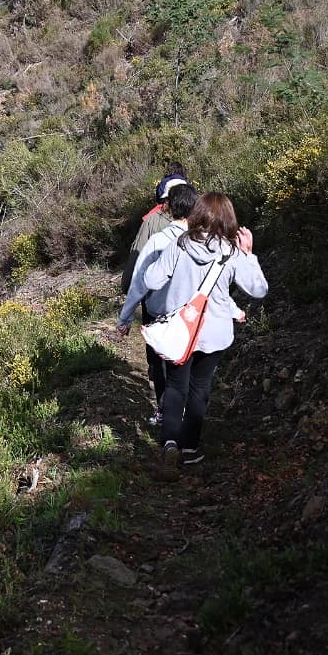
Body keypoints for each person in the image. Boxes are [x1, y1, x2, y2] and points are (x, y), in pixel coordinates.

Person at [143, 192, 267, 479]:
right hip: (215, 334)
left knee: (176, 386)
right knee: (200, 388)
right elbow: (259, 290)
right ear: (228, 219)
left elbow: (152, 280)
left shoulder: (179, 245)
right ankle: (189, 448)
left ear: (197, 214)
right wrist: (249, 256)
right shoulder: (232, 253)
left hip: (180, 332)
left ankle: (170, 441)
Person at [117, 183, 200, 425]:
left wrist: (125, 318)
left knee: (160, 364)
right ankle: (186, 413)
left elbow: (139, 282)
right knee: (187, 363)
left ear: (169, 208)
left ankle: (166, 412)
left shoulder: (157, 241)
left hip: (158, 313)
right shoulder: (203, 241)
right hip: (190, 315)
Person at [121, 162, 189, 294]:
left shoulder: (153, 219)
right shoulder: (197, 217)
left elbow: (138, 251)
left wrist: (127, 285)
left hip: (155, 292)